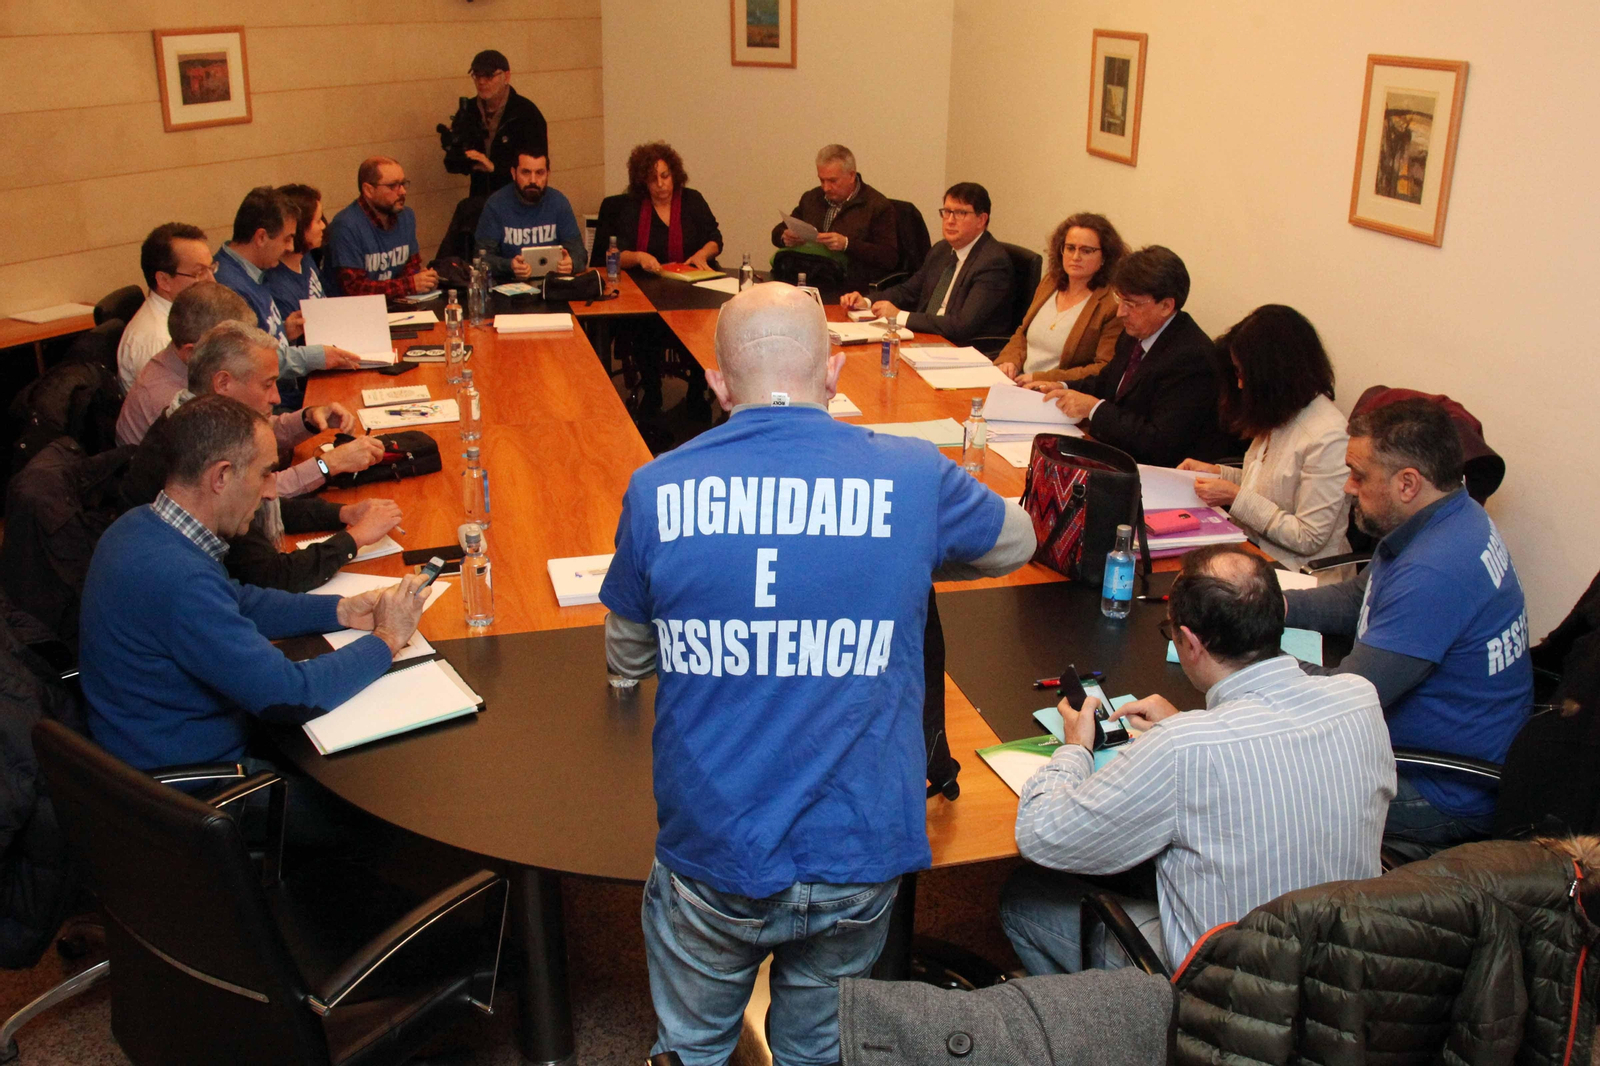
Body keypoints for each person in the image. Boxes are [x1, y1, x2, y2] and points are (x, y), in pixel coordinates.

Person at [599, 284, 1036, 1066]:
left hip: (715, 847)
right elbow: (1017, 541)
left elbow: (627, 660)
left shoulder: (655, 487)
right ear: (835, 370)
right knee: (815, 1051)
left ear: (718, 384)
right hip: (859, 850)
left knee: (692, 1049)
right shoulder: (911, 474)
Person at [1000, 545, 1394, 973]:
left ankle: (1112, 1033)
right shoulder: (1360, 700)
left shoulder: (1183, 747)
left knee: (1024, 897)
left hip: (1225, 1004)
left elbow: (1043, 835)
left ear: (1189, 642)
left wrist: (1074, 748)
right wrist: (1197, 723)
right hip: (1344, 982)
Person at [80, 393, 428, 772]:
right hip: (199, 785)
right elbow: (292, 696)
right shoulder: (179, 580)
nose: (270, 491)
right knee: (384, 777)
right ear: (222, 476)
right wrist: (387, 639)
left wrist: (341, 609)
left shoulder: (138, 526)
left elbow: (238, 601)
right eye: (264, 473)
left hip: (147, 747)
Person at [1285, 398, 1533, 853]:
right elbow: (1360, 597)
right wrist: (1269, 605)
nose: (1347, 487)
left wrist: (1251, 656)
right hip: (1444, 748)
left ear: (1407, 483)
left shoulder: (1437, 570)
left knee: (1262, 790)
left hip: (1440, 787)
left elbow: (1346, 700)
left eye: (1359, 474)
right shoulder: (1450, 515)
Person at [120, 322, 396, 592]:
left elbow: (260, 501)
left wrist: (343, 513)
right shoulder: (202, 450)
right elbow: (271, 576)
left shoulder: (193, 420)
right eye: (267, 385)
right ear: (223, 383)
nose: (276, 397)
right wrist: (354, 539)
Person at [1176, 305, 1351, 570]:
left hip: (1297, 569)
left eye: (1243, 373)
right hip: (1253, 550)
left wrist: (1235, 497)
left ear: (1275, 374)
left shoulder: (1329, 437)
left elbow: (1308, 537)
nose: (1240, 384)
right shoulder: (1281, 411)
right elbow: (1269, 486)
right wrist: (1216, 474)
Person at [1035, 245, 1235, 466]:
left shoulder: (1192, 358)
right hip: (1114, 455)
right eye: (1119, 299)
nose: (1121, 312)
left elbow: (1159, 441)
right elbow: (1108, 382)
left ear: (1166, 306)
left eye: (1130, 303)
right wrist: (1062, 387)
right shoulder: (1136, 331)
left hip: (1156, 473)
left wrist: (1093, 408)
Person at [214, 186, 362, 408]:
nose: (290, 247)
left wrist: (285, 331)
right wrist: (317, 356)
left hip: (284, 391)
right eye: (286, 239)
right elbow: (248, 362)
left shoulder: (254, 269)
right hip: (271, 404)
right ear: (261, 237)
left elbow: (263, 335)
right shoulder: (229, 287)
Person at [839, 182, 1014, 345]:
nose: (950, 220)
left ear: (981, 220)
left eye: (960, 213)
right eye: (946, 211)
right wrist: (868, 302)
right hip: (926, 336)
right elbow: (909, 290)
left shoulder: (992, 263)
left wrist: (900, 316)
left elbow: (962, 325)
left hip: (960, 346)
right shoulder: (942, 249)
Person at [995, 213, 1127, 384]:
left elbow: (1102, 368)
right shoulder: (1050, 282)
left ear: (1104, 257)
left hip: (1058, 393)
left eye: (1086, 251)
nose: (1075, 257)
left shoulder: (1112, 305)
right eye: (1070, 248)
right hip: (1017, 381)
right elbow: (1023, 332)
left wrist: (1040, 378)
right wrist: (1009, 361)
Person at [116, 282, 252, 446]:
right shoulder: (172, 406)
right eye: (235, 349)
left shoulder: (182, 361)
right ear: (192, 353)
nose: (245, 356)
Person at [771, 144, 898, 291]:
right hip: (810, 279)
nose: (825, 188)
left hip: (850, 286)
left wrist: (847, 244)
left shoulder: (877, 205)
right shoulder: (811, 198)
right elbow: (778, 232)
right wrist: (784, 237)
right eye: (821, 180)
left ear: (851, 176)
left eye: (832, 181)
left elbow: (889, 258)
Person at [594, 141, 723, 274]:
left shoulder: (692, 200)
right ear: (643, 182)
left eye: (664, 176)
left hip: (691, 280)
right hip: (644, 281)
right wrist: (639, 257)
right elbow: (616, 254)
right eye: (652, 179)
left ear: (674, 174)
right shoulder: (631, 206)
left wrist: (702, 255)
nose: (660, 184)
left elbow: (715, 239)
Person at [116, 223, 216, 392]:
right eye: (200, 272)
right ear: (164, 280)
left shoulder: (185, 315)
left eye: (211, 268)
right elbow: (179, 410)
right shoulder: (158, 341)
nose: (212, 281)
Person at [324, 157, 440, 297]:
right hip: (353, 312)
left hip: (396, 305)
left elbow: (411, 266)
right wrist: (410, 284)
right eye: (393, 186)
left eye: (403, 184)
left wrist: (423, 278)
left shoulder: (406, 216)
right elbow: (355, 289)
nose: (403, 191)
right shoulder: (345, 226)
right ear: (368, 190)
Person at [442, 49, 549, 199]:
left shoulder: (526, 113)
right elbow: (452, 165)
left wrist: (494, 168)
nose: (481, 82)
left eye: (489, 75)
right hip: (480, 200)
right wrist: (455, 149)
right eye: (477, 76)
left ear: (506, 76)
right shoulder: (469, 110)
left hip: (516, 200)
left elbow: (538, 166)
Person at [473, 147, 586, 280]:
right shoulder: (496, 204)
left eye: (539, 173)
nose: (533, 180)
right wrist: (510, 266)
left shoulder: (559, 203)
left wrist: (571, 263)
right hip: (508, 287)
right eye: (526, 172)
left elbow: (581, 254)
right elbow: (481, 258)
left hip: (552, 286)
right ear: (514, 173)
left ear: (548, 174)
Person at [265, 183, 328, 318]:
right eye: (317, 221)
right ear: (298, 227)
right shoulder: (278, 285)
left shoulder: (305, 257)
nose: (323, 226)